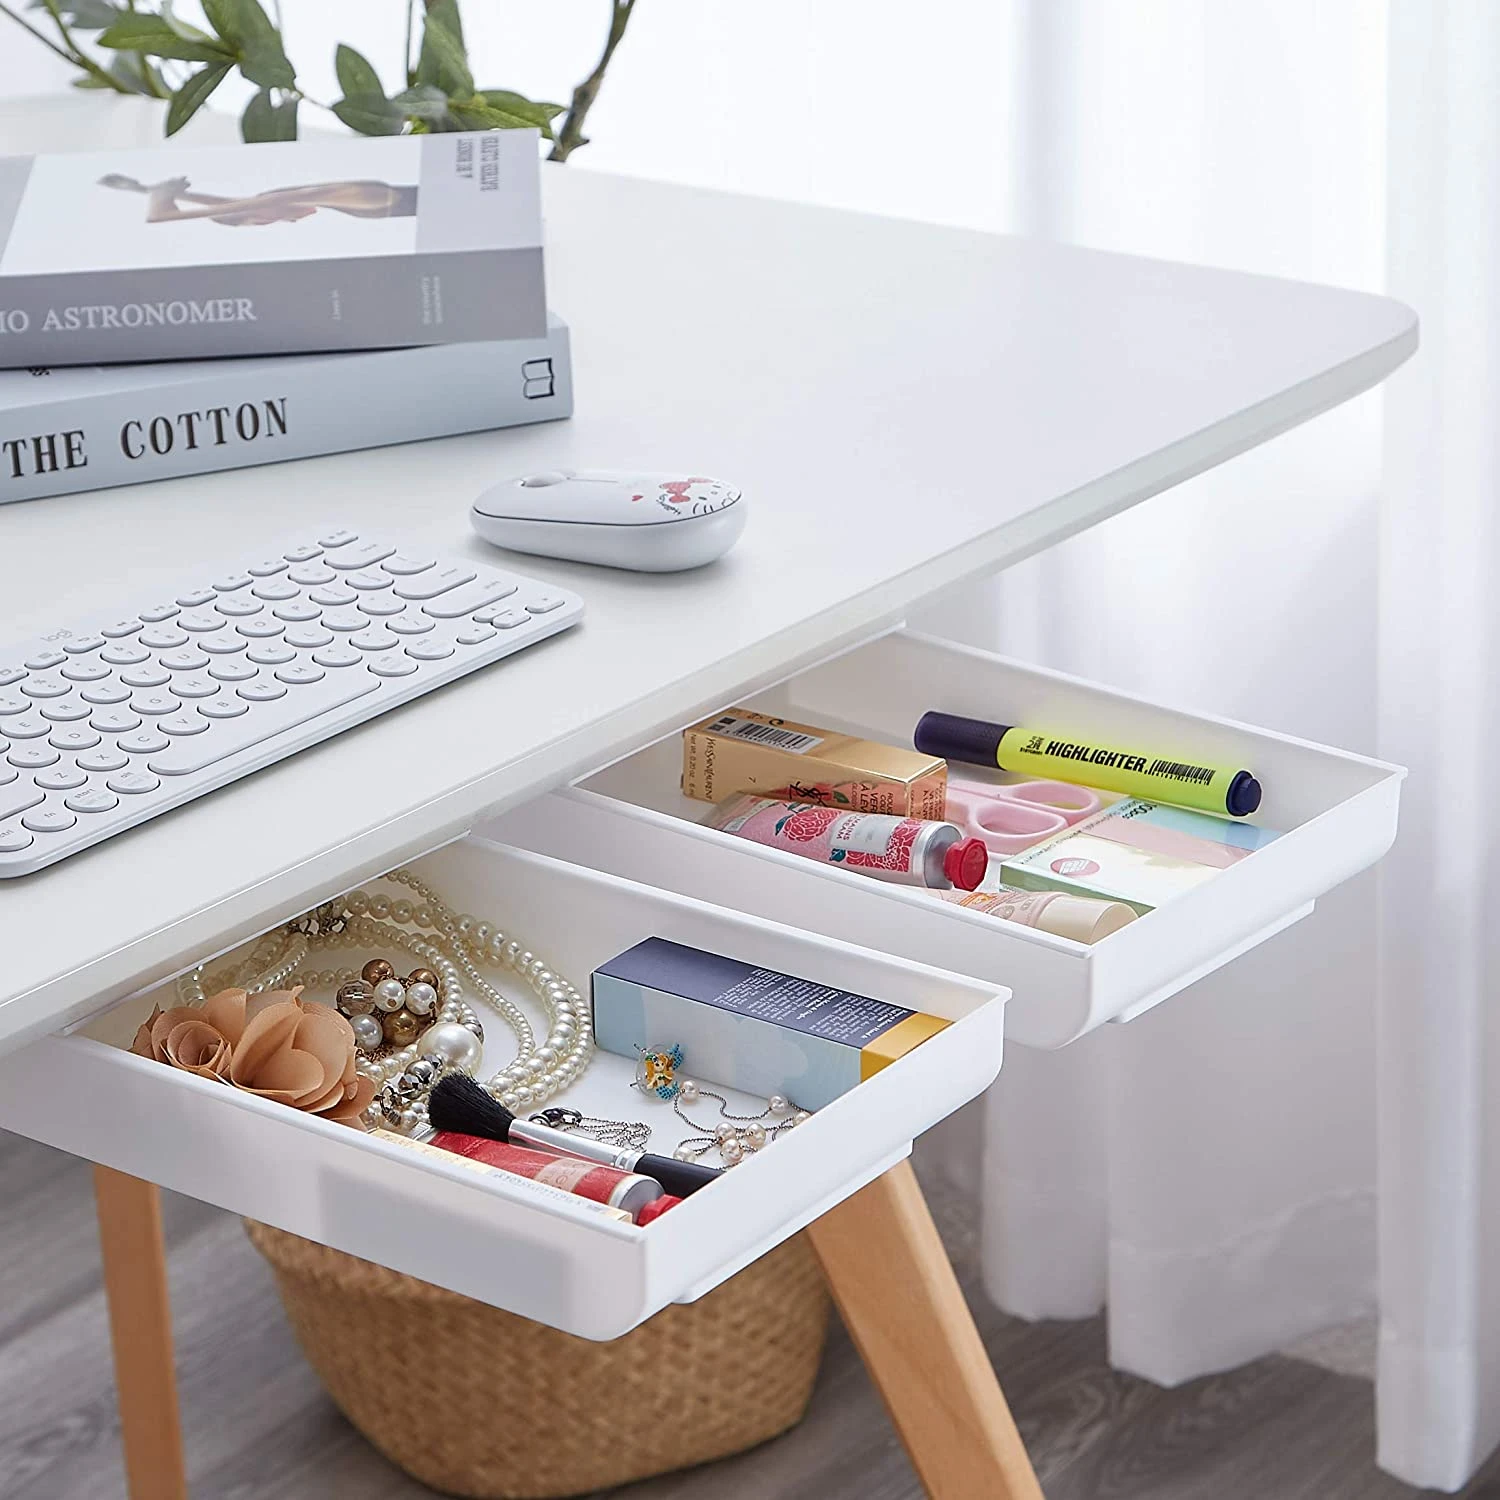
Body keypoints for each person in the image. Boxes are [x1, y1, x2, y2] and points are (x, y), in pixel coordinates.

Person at [97, 172, 418, 226]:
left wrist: (148, 191)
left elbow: (238, 204)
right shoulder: (332, 198)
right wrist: (157, 198)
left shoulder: (288, 199)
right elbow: (159, 219)